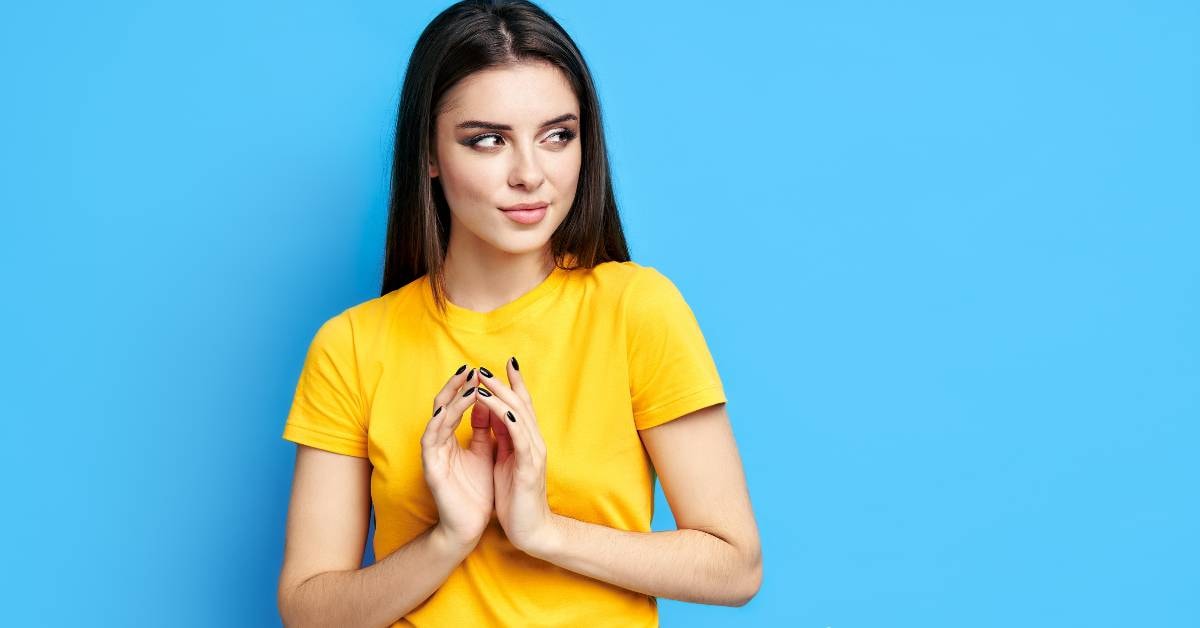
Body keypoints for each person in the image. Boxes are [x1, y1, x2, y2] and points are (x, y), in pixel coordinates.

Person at [276, 1, 761, 625]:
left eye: (558, 135)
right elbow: (308, 610)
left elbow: (736, 564)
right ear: (429, 154)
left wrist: (541, 531)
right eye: (488, 140)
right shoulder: (351, 346)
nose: (530, 174)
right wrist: (449, 537)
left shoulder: (636, 309)